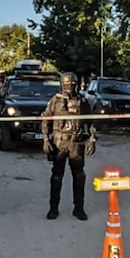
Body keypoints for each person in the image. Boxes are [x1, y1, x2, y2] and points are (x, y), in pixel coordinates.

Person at [41, 72, 96, 221]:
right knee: (56, 177)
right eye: (67, 83)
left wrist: (92, 139)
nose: (70, 86)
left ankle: (79, 209)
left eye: (73, 83)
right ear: (62, 84)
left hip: (76, 144)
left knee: (79, 177)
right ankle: (53, 208)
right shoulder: (55, 100)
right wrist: (46, 139)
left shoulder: (83, 101)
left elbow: (91, 122)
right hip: (59, 143)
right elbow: (46, 120)